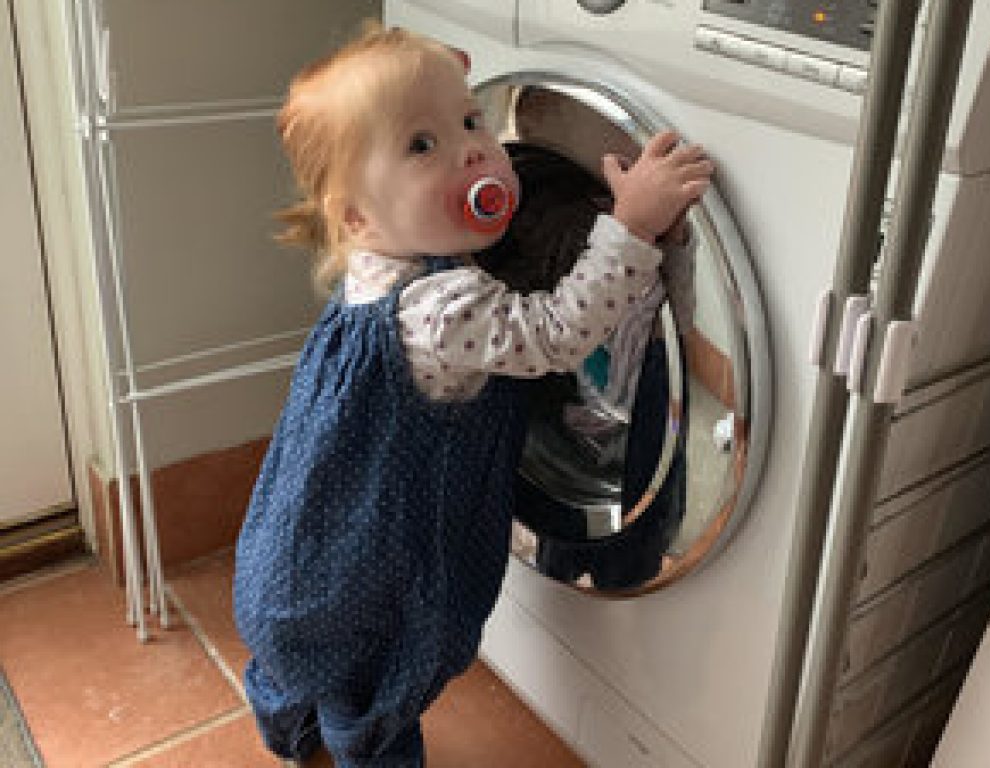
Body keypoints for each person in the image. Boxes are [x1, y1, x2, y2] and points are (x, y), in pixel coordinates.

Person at [232, 21, 713, 767]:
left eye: (469, 119)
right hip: (374, 582)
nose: (473, 149)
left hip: (300, 563)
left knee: (314, 671)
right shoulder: (443, 308)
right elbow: (557, 332)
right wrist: (631, 225)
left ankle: (292, 733)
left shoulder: (374, 273)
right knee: (378, 700)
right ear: (357, 215)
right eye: (421, 146)